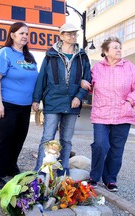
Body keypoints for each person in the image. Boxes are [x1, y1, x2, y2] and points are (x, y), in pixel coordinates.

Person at [86, 36, 135, 192]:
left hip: (123, 114)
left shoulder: (130, 68)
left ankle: (110, 179)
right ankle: (94, 177)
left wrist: (130, 101)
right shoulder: (96, 69)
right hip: (101, 113)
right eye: (114, 47)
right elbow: (89, 86)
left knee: (116, 149)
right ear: (106, 52)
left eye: (119, 47)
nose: (119, 50)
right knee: (100, 145)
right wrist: (83, 83)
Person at [32, 23, 91, 176]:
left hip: (73, 102)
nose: (73, 36)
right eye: (69, 34)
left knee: (66, 140)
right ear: (61, 36)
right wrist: (36, 99)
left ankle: (63, 171)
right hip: (53, 101)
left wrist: (79, 96)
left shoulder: (82, 56)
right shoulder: (51, 55)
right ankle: (41, 170)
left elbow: (87, 79)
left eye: (74, 34)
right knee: (47, 137)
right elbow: (42, 78)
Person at [0, 22, 38, 189]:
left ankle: (10, 167)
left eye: (26, 34)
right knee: (2, 139)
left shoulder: (29, 57)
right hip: (5, 102)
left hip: (23, 105)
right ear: (13, 35)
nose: (25, 36)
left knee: (18, 138)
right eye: (21, 33)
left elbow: (33, 80)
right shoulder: (5, 53)